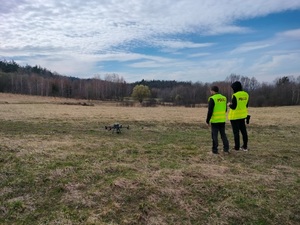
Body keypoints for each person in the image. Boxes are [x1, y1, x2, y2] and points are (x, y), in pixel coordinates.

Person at [206, 86, 229, 154]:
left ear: (212, 91)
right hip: (222, 119)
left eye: (211, 91)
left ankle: (215, 150)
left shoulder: (212, 99)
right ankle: (226, 148)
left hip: (215, 120)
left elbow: (210, 111)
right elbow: (225, 109)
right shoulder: (224, 98)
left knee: (214, 136)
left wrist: (207, 120)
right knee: (223, 135)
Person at [228, 81, 249, 151]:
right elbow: (246, 105)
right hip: (243, 115)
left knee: (236, 132)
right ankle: (245, 146)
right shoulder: (246, 94)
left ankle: (237, 147)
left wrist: (229, 105)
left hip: (234, 116)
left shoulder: (235, 95)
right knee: (244, 131)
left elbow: (234, 107)